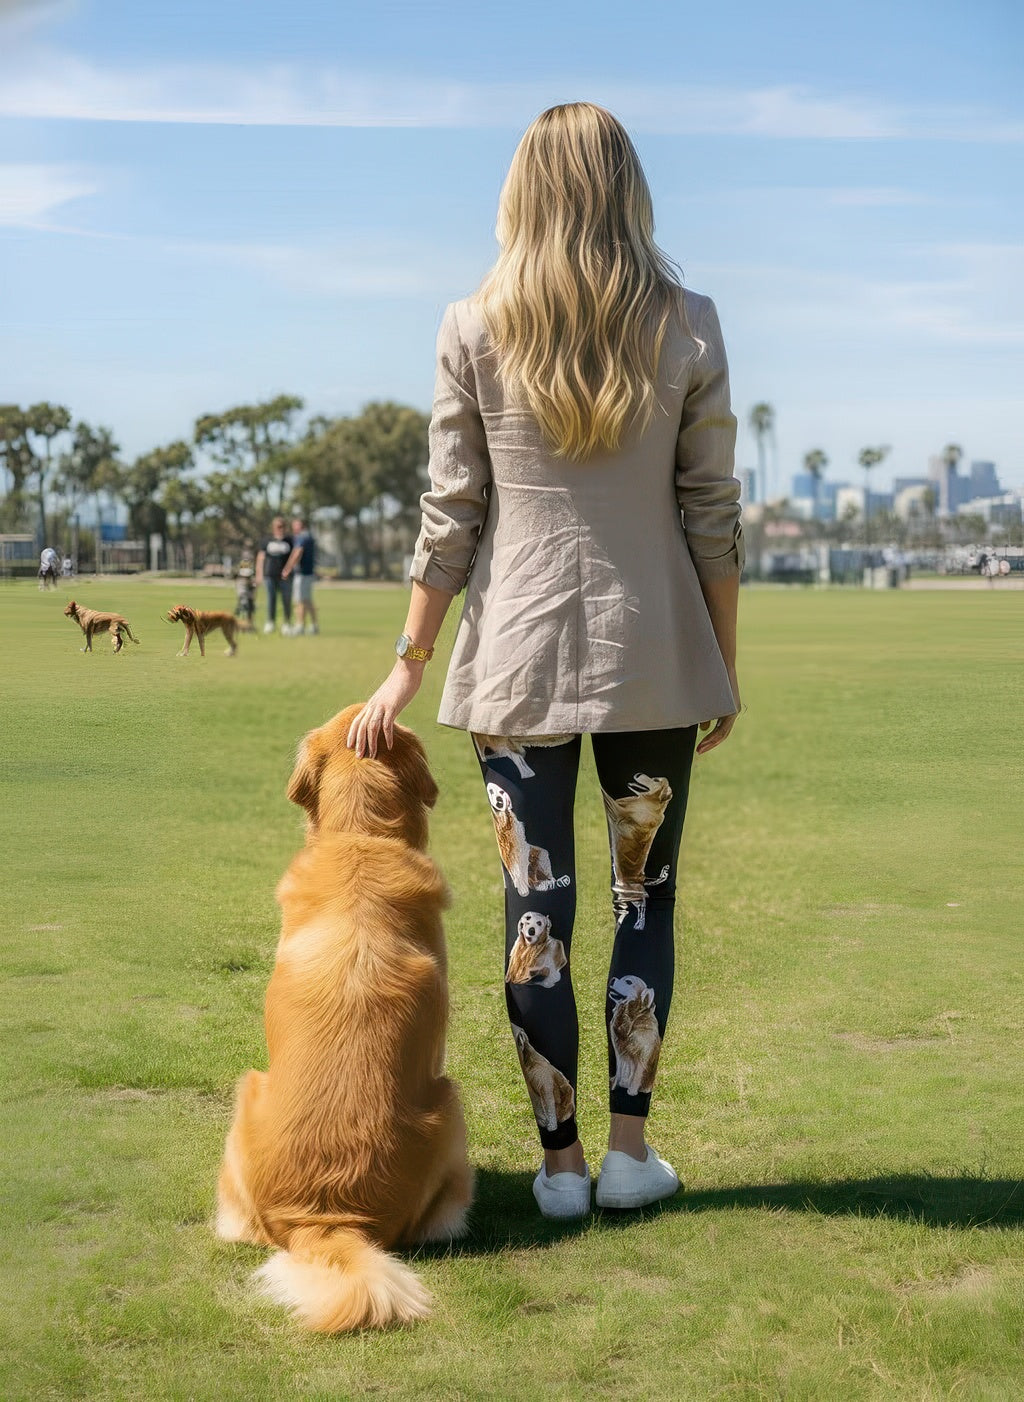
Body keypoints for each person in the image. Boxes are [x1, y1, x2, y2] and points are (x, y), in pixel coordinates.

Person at [346, 103, 744, 1220]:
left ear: (521, 190)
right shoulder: (689, 321)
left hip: (513, 659)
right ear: (628, 187)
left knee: (537, 911)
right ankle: (628, 1156)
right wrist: (721, 659)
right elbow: (711, 511)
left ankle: (560, 1167)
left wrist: (408, 660)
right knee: (643, 902)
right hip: (653, 655)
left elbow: (451, 512)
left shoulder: (472, 324)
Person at [254, 516, 294, 634]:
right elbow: (260, 558)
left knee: (286, 599)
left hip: (285, 576)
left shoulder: (289, 540)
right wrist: (259, 574)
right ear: (273, 527)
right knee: (271, 599)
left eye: (282, 526)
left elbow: (294, 557)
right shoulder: (267, 540)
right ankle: (270, 622)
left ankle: (287, 623)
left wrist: (289, 570)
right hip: (270, 575)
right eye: (278, 526)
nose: (280, 529)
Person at [282, 513, 319, 635]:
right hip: (308, 573)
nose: (293, 528)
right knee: (307, 600)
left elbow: (297, 552)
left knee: (300, 601)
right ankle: (314, 625)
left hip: (302, 574)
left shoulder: (301, 537)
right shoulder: (309, 536)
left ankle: (300, 625)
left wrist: (287, 568)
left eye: (295, 525)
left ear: (300, 525)